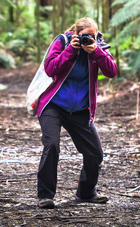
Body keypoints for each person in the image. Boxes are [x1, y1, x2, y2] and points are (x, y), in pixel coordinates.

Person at [35, 17, 118, 209]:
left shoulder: (99, 47)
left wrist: (97, 51)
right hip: (53, 105)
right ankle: (45, 196)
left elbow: (111, 71)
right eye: (85, 36)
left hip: (81, 109)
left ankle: (86, 192)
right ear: (76, 34)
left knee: (95, 153)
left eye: (93, 35)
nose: (89, 38)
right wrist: (71, 50)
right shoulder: (62, 41)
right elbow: (50, 69)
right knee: (52, 145)